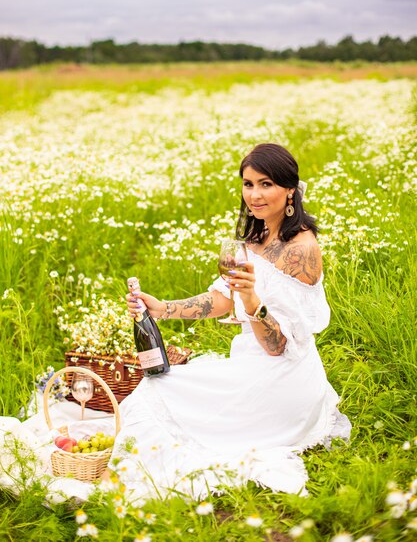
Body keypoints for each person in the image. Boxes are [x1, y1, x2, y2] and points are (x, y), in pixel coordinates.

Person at [108, 143, 351, 499]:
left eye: (266, 184)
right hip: (249, 362)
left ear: (289, 190)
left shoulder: (301, 249)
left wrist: (252, 299)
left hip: (285, 379)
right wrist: (162, 308)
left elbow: (278, 346)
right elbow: (222, 298)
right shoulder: (253, 235)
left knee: (161, 401)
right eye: (248, 184)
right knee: (155, 390)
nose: (254, 194)